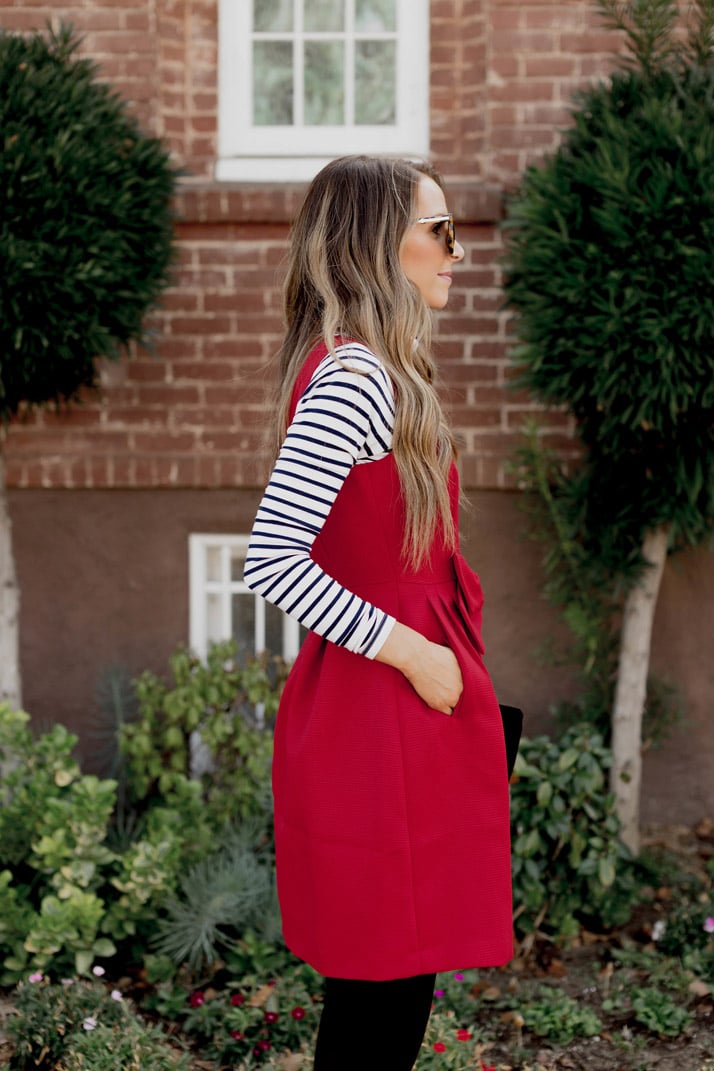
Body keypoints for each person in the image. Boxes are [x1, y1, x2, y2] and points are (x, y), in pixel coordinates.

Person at [243, 155, 513, 1070]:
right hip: (380, 713)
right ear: (376, 244)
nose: (457, 252)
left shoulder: (379, 375)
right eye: (438, 230)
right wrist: (417, 655)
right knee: (379, 994)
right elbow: (273, 555)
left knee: (387, 992)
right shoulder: (357, 380)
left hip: (397, 713)